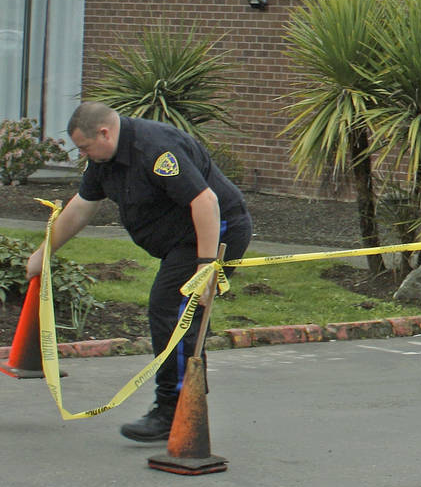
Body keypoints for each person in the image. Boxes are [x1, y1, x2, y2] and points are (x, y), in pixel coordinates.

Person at [27, 102, 252, 442]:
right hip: (181, 239)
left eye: (85, 147)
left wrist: (207, 268)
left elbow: (205, 202)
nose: (84, 154)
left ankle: (172, 409)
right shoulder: (103, 160)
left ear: (104, 132)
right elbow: (79, 209)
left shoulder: (156, 149)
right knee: (178, 315)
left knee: (170, 310)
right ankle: (184, 404)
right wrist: (43, 253)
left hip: (214, 232)